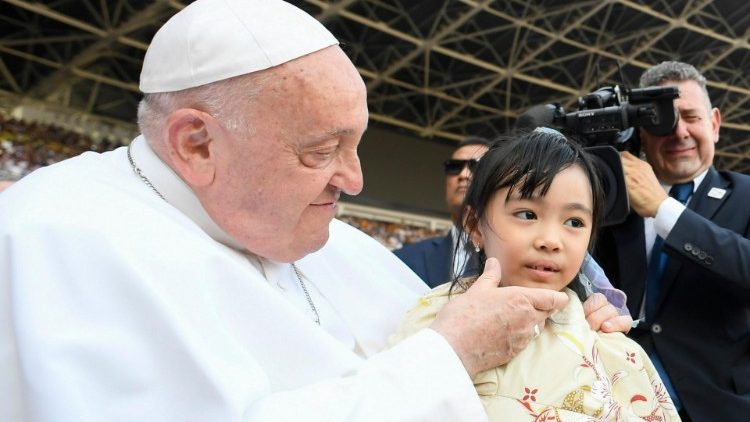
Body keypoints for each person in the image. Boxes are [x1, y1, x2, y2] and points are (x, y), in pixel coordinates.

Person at [0, 1, 631, 420]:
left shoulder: (338, 243)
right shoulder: (50, 242)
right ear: (196, 144)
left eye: (354, 144)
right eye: (321, 151)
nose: (353, 179)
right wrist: (447, 358)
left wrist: (568, 329)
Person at [390, 129, 679, 420]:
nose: (551, 240)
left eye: (574, 222)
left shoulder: (610, 344)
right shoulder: (433, 322)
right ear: (476, 226)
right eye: (527, 214)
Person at [593, 61, 750, 420]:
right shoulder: (612, 205)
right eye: (662, 120)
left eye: (691, 117)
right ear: (641, 134)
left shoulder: (745, 194)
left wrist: (664, 210)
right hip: (622, 398)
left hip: (721, 405)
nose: (679, 132)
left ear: (714, 123)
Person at [394, 136, 490, 287]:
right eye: (454, 167)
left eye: (476, 166)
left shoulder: (526, 261)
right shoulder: (402, 261)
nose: (463, 175)